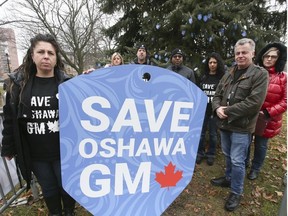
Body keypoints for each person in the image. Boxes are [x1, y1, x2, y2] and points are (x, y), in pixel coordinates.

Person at [0, 34, 76, 216]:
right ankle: (55, 213)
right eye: (41, 52)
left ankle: (69, 212)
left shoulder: (68, 83)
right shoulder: (18, 85)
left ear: (56, 58)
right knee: (49, 188)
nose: (46, 56)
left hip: (64, 151)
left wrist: (90, 80)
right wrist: (8, 147)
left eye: (51, 52)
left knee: (66, 186)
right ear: (32, 55)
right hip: (35, 154)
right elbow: (10, 120)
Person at [210, 38, 268, 212]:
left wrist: (226, 110)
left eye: (244, 52)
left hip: (242, 127)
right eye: (237, 53)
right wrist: (217, 108)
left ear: (252, 53)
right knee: (228, 155)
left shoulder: (259, 74)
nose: (240, 56)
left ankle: (236, 191)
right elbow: (217, 94)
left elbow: (254, 103)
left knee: (237, 160)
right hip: (225, 124)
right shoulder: (229, 72)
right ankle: (229, 178)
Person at [246, 42, 287, 180]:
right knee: (245, 140)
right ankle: (244, 162)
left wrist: (268, 113)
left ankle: (255, 168)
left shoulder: (283, 77)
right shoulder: (254, 73)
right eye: (266, 56)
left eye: (273, 57)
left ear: (279, 58)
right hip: (250, 115)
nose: (269, 59)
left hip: (268, 118)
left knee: (261, 144)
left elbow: (285, 101)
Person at [196, 52, 225, 166]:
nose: (212, 64)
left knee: (213, 134)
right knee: (201, 133)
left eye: (215, 62)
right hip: (203, 110)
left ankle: (211, 154)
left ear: (218, 64)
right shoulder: (203, 77)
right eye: (210, 62)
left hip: (214, 111)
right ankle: (200, 153)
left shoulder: (221, 78)